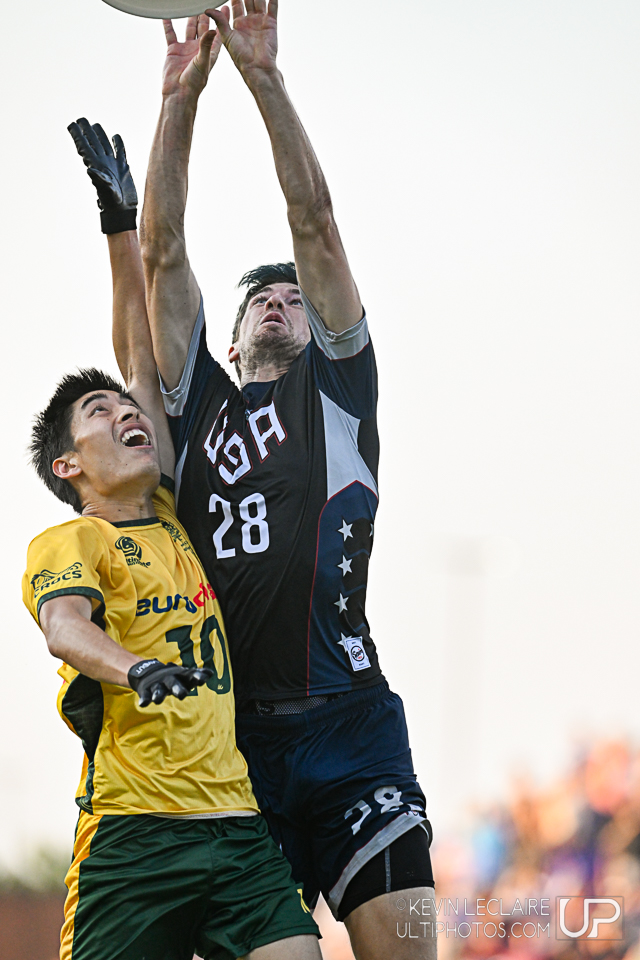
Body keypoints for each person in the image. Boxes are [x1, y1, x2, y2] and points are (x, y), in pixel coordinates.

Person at [139, 4, 437, 958]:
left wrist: (263, 77)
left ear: (319, 326)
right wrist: (178, 100)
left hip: (352, 730)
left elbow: (315, 220)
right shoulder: (197, 407)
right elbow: (161, 253)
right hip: (236, 751)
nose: (280, 301)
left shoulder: (338, 391)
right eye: (260, 300)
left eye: (295, 298)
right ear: (229, 342)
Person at [23, 118, 321, 960]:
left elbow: (138, 353)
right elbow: (65, 630)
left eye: (129, 410)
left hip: (236, 825)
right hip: (134, 835)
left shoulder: (173, 511)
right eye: (101, 413)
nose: (128, 412)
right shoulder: (71, 542)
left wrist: (120, 222)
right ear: (69, 465)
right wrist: (135, 668)